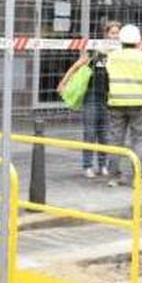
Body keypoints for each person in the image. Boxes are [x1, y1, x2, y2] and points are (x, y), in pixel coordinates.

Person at [57, 20, 120, 178]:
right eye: (112, 33)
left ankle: (103, 165)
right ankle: (87, 166)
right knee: (90, 133)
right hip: (91, 96)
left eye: (117, 33)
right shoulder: (95, 51)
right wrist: (63, 83)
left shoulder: (119, 53)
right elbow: (77, 65)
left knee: (105, 134)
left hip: (108, 97)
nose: (115, 36)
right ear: (105, 34)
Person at [105, 23, 142, 187]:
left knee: (115, 140)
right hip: (140, 104)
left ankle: (113, 176)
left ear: (121, 40)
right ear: (138, 41)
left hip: (116, 103)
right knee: (139, 141)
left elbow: (106, 81)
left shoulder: (112, 57)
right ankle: (139, 177)